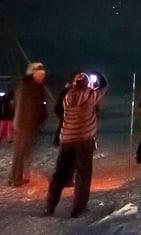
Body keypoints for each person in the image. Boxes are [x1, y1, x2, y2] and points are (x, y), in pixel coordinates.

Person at [46, 72, 108, 218]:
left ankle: (50, 205)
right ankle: (78, 208)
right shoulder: (90, 96)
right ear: (87, 84)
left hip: (66, 139)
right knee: (83, 174)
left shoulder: (67, 97)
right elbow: (104, 87)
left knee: (60, 173)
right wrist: (100, 76)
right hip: (84, 140)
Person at [8, 62, 48, 186]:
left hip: (21, 123)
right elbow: (35, 107)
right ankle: (15, 178)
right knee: (20, 152)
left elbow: (15, 105)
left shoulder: (23, 85)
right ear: (33, 74)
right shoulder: (32, 87)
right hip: (26, 124)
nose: (42, 77)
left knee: (20, 152)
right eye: (39, 74)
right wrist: (38, 119)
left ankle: (14, 177)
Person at [53, 72, 78, 147]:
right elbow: (60, 101)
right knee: (63, 125)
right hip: (64, 111)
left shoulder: (77, 89)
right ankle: (57, 140)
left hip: (70, 112)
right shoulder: (68, 89)